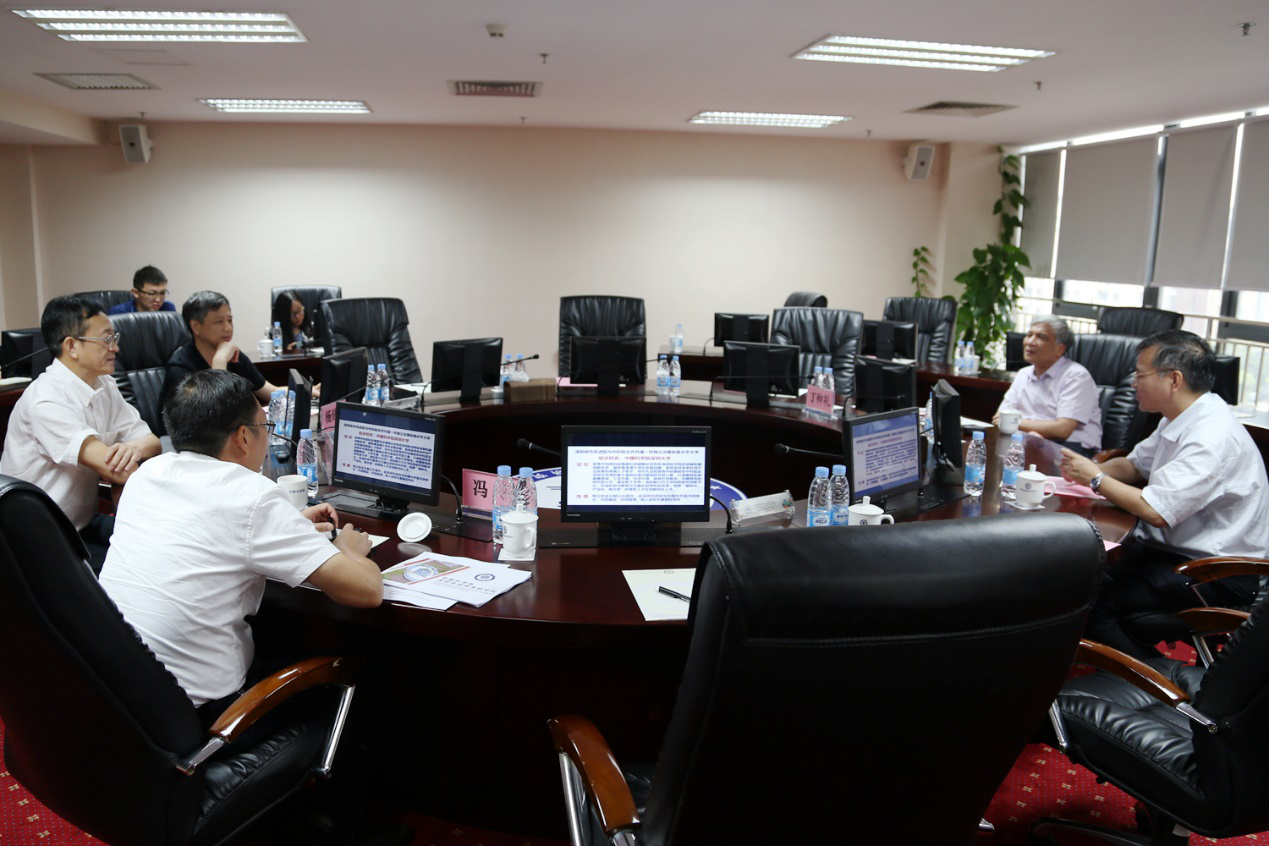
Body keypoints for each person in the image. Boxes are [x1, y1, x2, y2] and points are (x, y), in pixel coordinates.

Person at [98, 369, 383, 718]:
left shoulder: (146, 475)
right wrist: (348, 548)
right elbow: (367, 591)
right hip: (200, 713)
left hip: (116, 697)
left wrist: (289, 524)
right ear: (244, 437)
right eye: (266, 426)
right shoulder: (252, 497)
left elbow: (211, 526)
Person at [1060, 330, 1269, 659]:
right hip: (1173, 552)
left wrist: (1096, 478)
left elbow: (1156, 511)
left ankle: (1159, 680)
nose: (1133, 384)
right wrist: (1082, 469)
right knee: (1080, 581)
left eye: (1140, 374)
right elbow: (1133, 465)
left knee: (1095, 606)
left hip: (1214, 573)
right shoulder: (1181, 417)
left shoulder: (1211, 436)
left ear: (1174, 379)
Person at [1, 295, 160, 567]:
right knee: (138, 569)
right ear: (72, 346)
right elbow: (115, 469)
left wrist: (133, 448)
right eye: (106, 339)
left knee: (158, 548)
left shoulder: (104, 384)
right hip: (39, 538)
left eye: (114, 338)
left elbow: (152, 442)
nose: (115, 348)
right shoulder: (46, 400)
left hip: (80, 523)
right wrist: (129, 455)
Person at [993, 315, 1102, 456]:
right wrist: (1025, 428)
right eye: (1029, 335)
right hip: (1027, 442)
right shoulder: (1023, 374)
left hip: (1071, 449)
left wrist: (1015, 423)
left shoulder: (1076, 376)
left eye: (1041, 337)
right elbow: (999, 417)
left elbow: (1062, 429)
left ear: (1059, 349)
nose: (1030, 342)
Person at [162, 290, 281, 406]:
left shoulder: (234, 356)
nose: (228, 328)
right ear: (196, 326)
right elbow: (215, 411)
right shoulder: (180, 368)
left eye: (230, 320)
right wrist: (220, 361)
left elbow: (270, 392)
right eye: (219, 322)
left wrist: (292, 391)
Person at [106, 265, 176, 315]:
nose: (158, 299)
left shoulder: (168, 309)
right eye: (151, 293)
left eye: (162, 293)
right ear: (135, 293)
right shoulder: (118, 313)